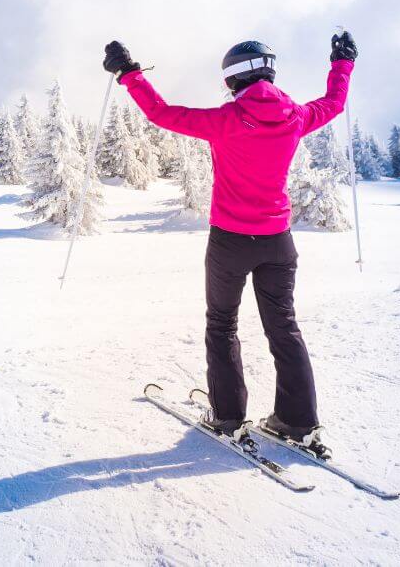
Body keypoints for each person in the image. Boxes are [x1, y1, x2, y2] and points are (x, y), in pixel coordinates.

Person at [103, 33, 358, 442]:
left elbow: (161, 113)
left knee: (222, 325)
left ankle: (227, 418)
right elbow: (334, 103)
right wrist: (342, 63)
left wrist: (128, 74)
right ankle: (297, 421)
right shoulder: (295, 116)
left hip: (231, 242)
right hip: (278, 241)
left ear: (233, 80)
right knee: (284, 326)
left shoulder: (225, 121)